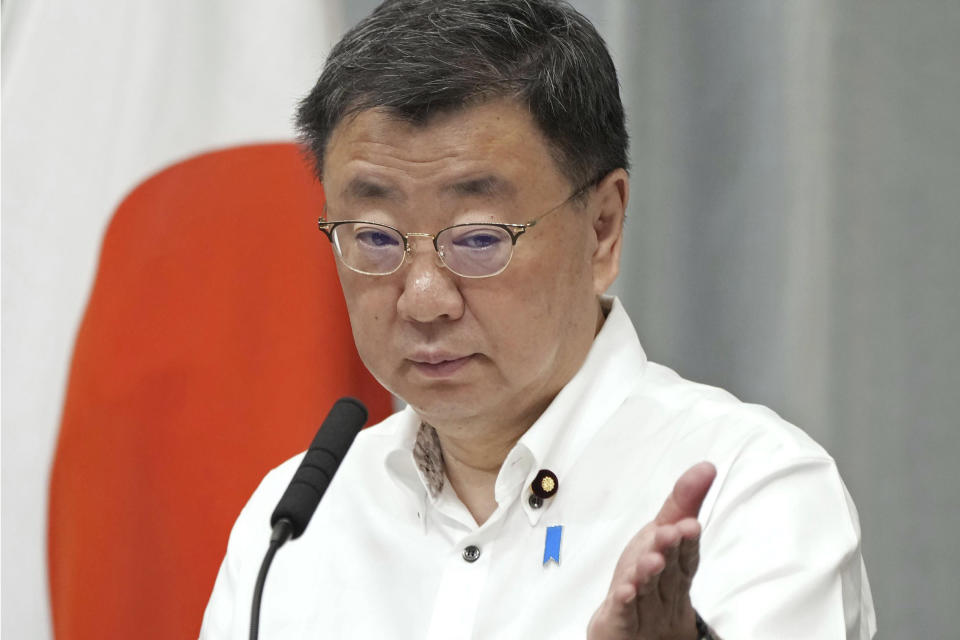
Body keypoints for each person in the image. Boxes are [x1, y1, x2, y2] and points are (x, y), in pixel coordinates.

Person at [200, 1, 876, 638]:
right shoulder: (290, 524)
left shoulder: (751, 493)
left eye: (479, 238)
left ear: (603, 230)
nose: (424, 297)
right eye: (376, 238)